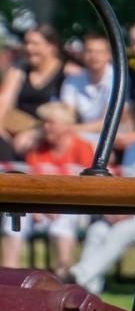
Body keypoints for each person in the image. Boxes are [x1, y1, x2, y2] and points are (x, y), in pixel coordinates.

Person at [70, 101, 135, 293]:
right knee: (97, 230)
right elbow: (124, 185)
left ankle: (79, 276)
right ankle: (89, 291)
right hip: (127, 212)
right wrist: (116, 209)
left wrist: (128, 212)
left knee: (121, 232)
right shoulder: (133, 150)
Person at [0, 101, 93, 274]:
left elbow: (86, 186)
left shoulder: (83, 148)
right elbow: (31, 182)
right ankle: (8, 274)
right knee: (12, 219)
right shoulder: (38, 150)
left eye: (51, 123)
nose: (46, 127)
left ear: (66, 125)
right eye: (44, 123)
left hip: (73, 205)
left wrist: (57, 203)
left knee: (62, 224)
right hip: (40, 205)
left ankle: (62, 275)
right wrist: (38, 206)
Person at [0, 25, 69, 152]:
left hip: (48, 134)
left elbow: (69, 115)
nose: (29, 48)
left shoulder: (67, 73)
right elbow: (3, 104)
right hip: (16, 130)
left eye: (35, 44)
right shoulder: (18, 72)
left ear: (51, 46)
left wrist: (38, 133)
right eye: (26, 43)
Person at [61, 32, 117, 140]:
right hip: (80, 134)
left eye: (99, 52)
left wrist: (71, 129)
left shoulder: (118, 80)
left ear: (108, 55)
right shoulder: (71, 81)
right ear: (83, 54)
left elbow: (109, 123)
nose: (94, 56)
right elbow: (67, 115)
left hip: (110, 137)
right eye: (89, 51)